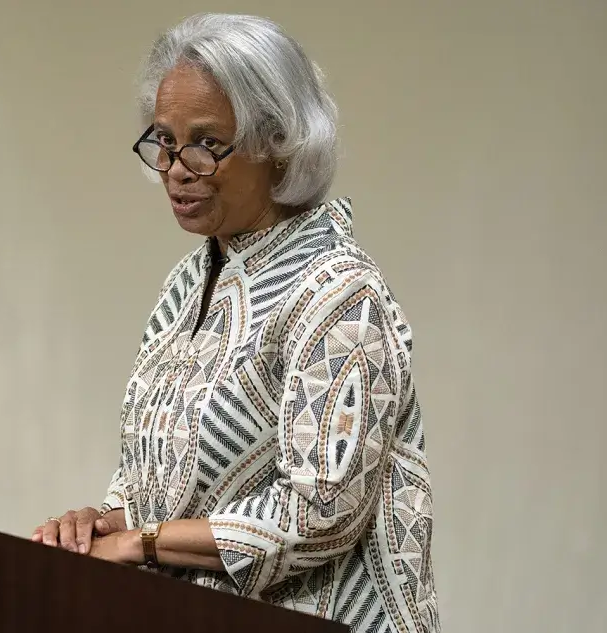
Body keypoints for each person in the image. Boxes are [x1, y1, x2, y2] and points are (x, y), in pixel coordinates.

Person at [32, 13, 438, 632]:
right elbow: (161, 480)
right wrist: (104, 522)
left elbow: (319, 512)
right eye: (163, 139)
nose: (174, 166)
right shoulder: (188, 283)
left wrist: (143, 542)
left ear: (278, 141)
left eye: (204, 141)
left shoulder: (338, 293)